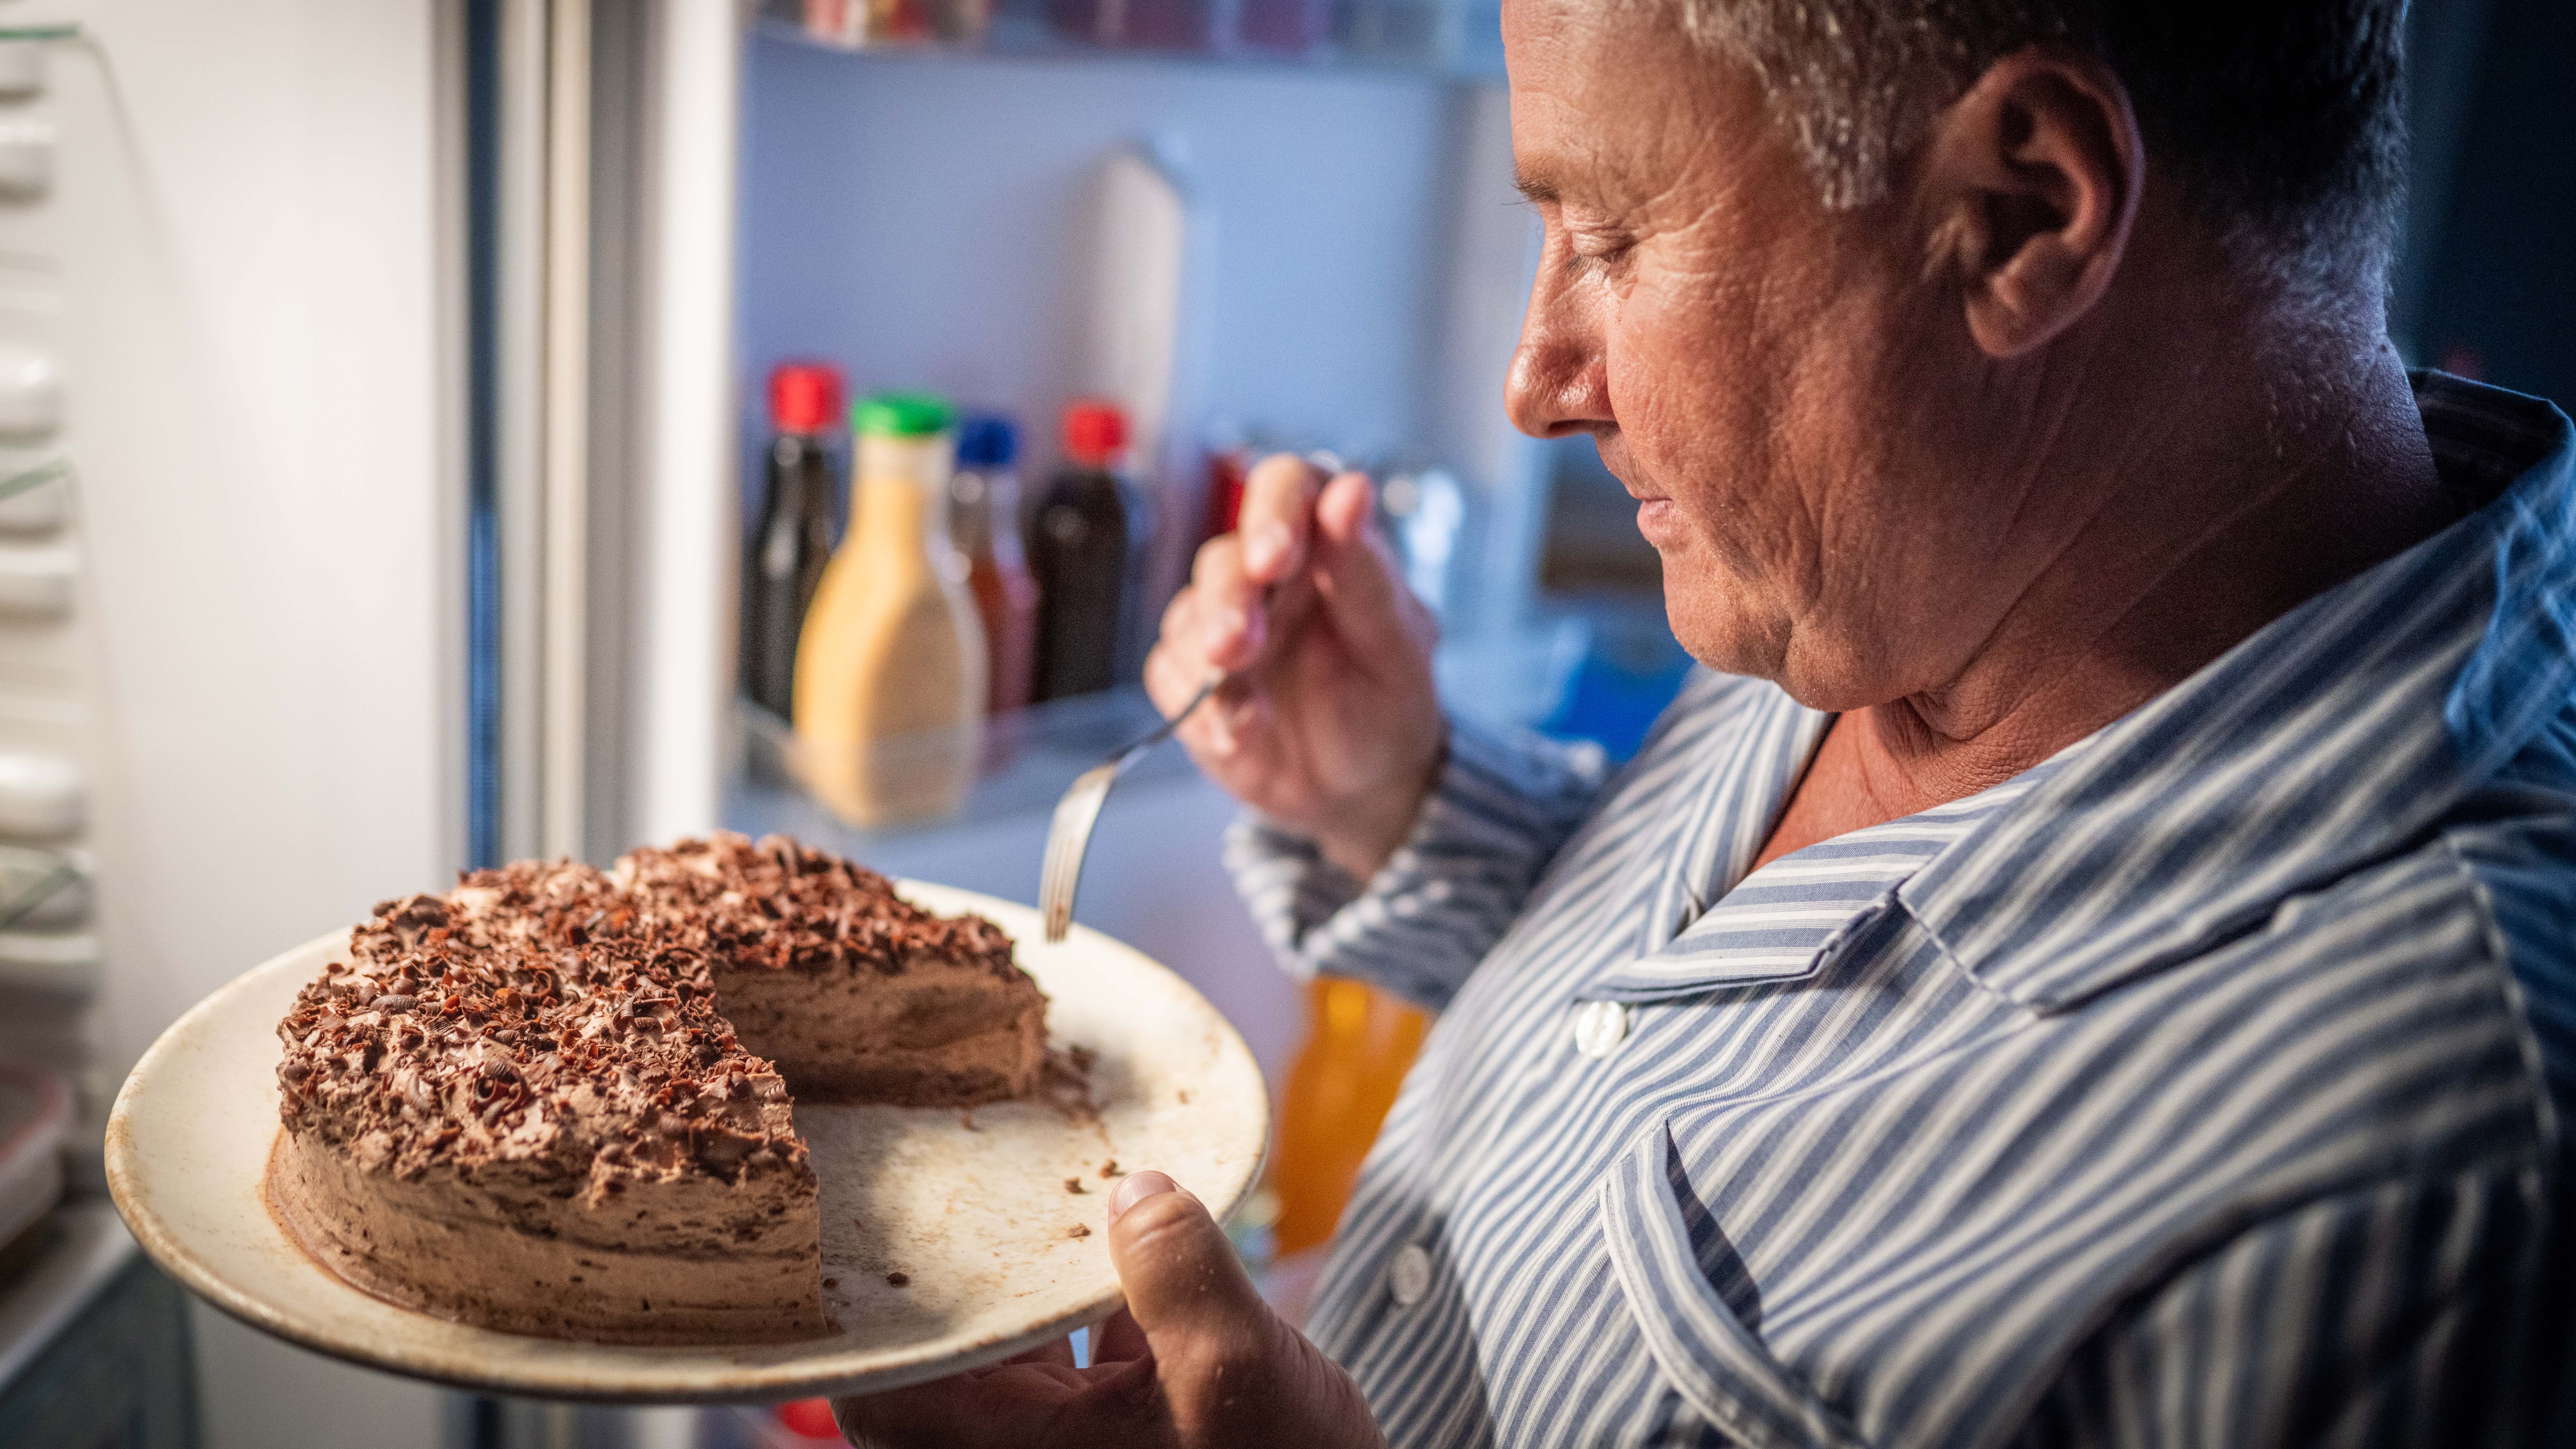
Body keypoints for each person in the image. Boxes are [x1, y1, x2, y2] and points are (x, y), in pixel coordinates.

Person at [839, 0, 2576, 1442]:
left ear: (2023, 214)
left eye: (1606, 233)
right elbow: (1721, 1007)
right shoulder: (1910, 558)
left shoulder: (2436, 1178)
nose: (1534, 377)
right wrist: (1401, 791)